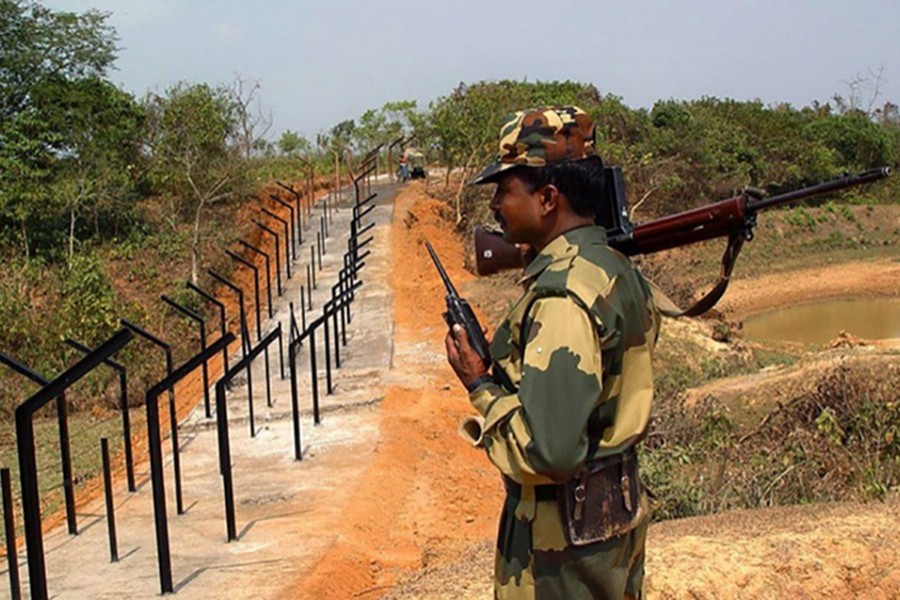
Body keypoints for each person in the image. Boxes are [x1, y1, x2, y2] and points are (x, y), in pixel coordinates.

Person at [444, 106, 660, 599]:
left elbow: (552, 452)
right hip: (607, 530)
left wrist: (480, 386)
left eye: (505, 190)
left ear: (547, 198)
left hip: (559, 556)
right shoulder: (611, 267)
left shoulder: (563, 297)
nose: (495, 204)